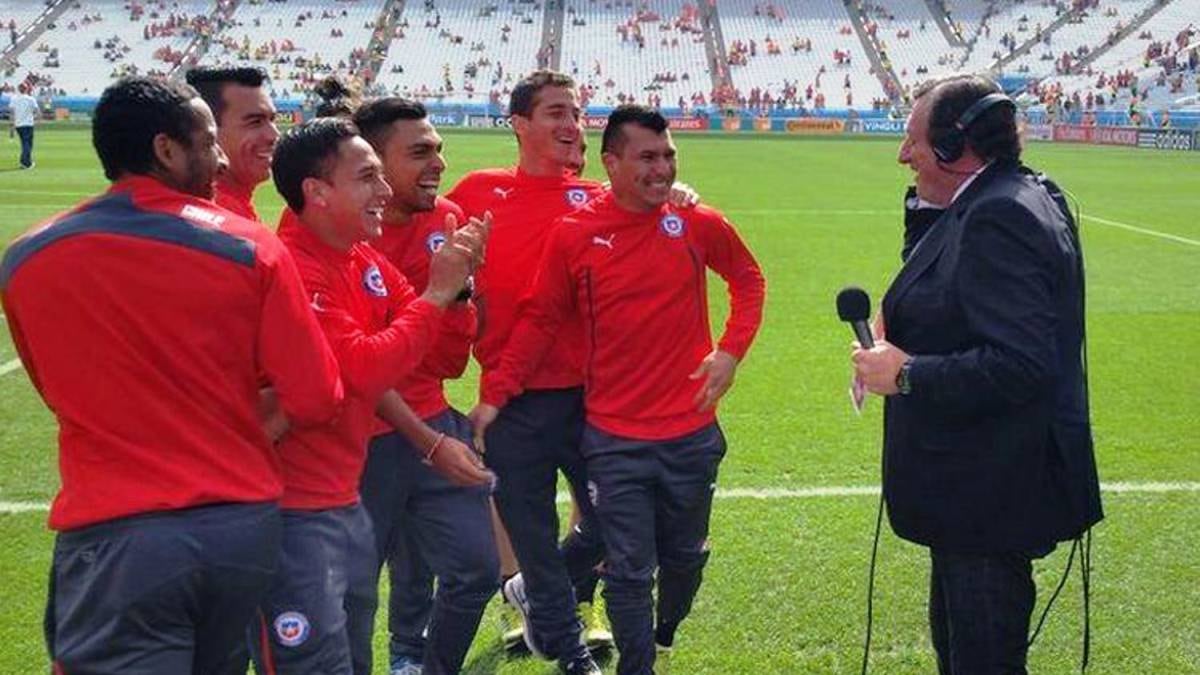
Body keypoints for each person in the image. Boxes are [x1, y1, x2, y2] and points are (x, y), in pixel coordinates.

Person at [0, 76, 344, 674]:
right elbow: (316, 396)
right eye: (208, 141)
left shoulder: (28, 255)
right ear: (166, 149)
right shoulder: (251, 248)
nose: (217, 158)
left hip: (116, 532)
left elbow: (56, 393)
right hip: (241, 528)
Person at [476, 105, 766, 675]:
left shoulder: (697, 221)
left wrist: (730, 351)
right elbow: (540, 318)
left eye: (668, 157)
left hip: (692, 431)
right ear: (610, 163)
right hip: (612, 437)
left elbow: (748, 279)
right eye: (647, 158)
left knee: (683, 559)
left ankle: (658, 629)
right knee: (630, 571)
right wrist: (498, 391)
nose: (661, 169)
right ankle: (638, 665)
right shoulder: (576, 234)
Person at [851, 74, 1103, 675]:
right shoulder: (998, 196)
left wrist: (907, 374)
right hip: (975, 496)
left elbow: (1022, 365)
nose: (902, 155)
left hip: (989, 499)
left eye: (914, 141)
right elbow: (948, 280)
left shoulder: (1001, 218)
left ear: (951, 147)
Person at [249, 117, 491, 675]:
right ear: (317, 192)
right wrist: (436, 292)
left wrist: (457, 295)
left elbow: (436, 358)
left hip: (341, 487)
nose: (384, 192)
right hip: (296, 501)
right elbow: (361, 368)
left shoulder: (361, 259)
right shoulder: (295, 271)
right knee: (321, 648)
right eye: (368, 178)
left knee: (360, 635)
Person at [447, 70, 611, 675]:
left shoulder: (599, 198)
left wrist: (679, 198)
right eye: (555, 113)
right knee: (534, 533)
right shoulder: (475, 192)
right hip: (512, 399)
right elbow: (431, 255)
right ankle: (571, 653)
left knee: (615, 525)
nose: (571, 124)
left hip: (593, 394)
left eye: (576, 113)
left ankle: (541, 598)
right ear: (519, 124)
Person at [350, 97, 500, 675]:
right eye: (419, 152)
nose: (437, 162)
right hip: (359, 436)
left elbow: (449, 360)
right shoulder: (333, 232)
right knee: (354, 588)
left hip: (430, 416)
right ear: (372, 163)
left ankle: (421, 662)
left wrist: (459, 295)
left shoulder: (448, 221)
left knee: (475, 568)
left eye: (438, 149)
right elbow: (356, 365)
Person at [186, 66, 280, 220]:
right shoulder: (219, 222)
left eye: (272, 120)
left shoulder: (234, 207)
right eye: (255, 122)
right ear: (208, 130)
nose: (274, 135)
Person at [10, 82, 37, 169]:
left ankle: (26, 162)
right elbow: (36, 110)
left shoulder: (14, 99)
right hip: (28, 124)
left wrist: (12, 126)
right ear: (26, 89)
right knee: (28, 144)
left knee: (25, 143)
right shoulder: (31, 99)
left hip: (19, 125)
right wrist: (35, 117)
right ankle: (25, 163)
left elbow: (12, 114)